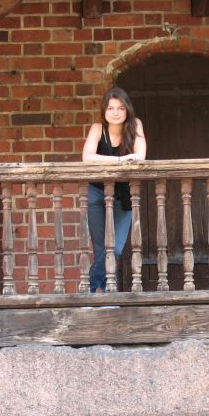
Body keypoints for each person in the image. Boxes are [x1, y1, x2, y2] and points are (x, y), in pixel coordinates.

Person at [81, 87, 147, 293]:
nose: (115, 112)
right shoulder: (97, 129)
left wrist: (114, 160)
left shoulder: (135, 125)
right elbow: (87, 157)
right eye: (110, 108)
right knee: (100, 248)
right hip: (96, 192)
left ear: (127, 109)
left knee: (115, 248)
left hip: (124, 194)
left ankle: (88, 290)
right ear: (104, 110)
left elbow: (140, 156)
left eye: (120, 108)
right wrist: (120, 160)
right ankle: (109, 295)